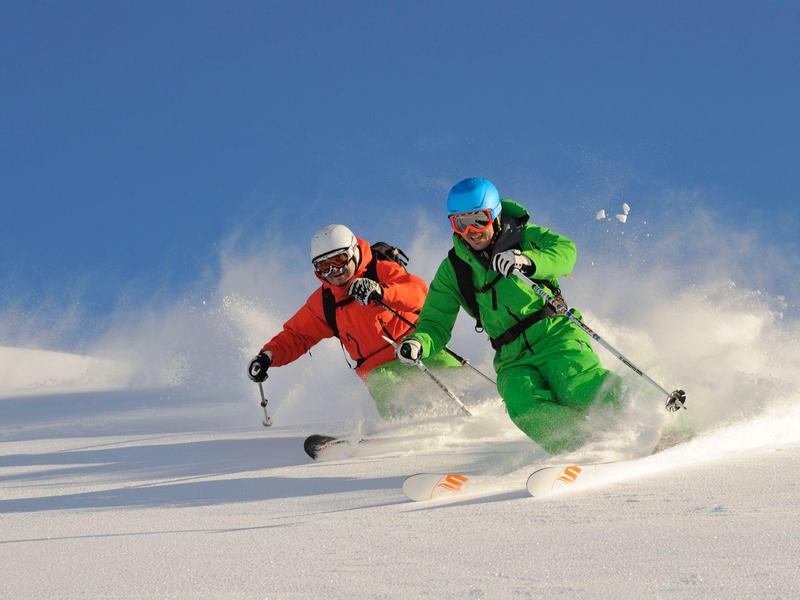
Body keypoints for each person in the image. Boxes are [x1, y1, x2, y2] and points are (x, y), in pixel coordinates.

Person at [395, 177, 622, 454]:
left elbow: (566, 251)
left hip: (554, 334)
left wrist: (529, 261)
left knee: (575, 383)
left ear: (495, 214)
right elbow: (435, 322)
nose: (471, 230)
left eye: (479, 219)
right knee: (520, 400)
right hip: (511, 357)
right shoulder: (453, 269)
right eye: (460, 223)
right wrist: (419, 341)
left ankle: (654, 420)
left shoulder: (524, 236)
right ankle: (582, 447)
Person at [247, 224, 461, 418]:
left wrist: (381, 292)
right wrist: (267, 357)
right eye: (325, 267)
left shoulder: (379, 269)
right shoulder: (325, 301)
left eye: (339, 261)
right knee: (388, 390)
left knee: (457, 379)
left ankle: (482, 408)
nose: (335, 272)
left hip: (414, 347)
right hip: (378, 368)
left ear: (353, 252)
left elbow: (420, 293)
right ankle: (405, 429)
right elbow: (297, 335)